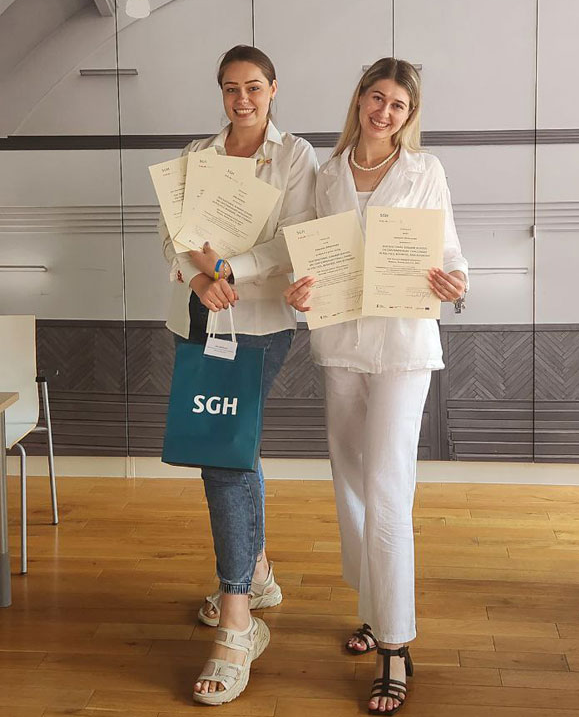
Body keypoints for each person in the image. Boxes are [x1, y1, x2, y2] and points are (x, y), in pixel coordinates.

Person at [284, 58, 468, 715]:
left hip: (403, 347)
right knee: (352, 486)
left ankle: (395, 643)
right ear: (359, 99)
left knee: (389, 487)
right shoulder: (327, 174)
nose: (384, 113)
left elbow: (449, 252)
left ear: (409, 115)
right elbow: (308, 258)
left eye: (398, 105)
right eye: (377, 98)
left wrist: (457, 281)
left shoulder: (425, 171)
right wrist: (298, 288)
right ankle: (373, 607)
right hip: (340, 346)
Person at [159, 44, 319, 706]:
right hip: (199, 318)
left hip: (259, 322)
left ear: (273, 89)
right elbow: (172, 233)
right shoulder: (197, 154)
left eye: (254, 87)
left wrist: (231, 270)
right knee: (233, 446)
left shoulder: (295, 156)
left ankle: (237, 621)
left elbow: (294, 238)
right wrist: (199, 278)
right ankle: (256, 575)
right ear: (220, 92)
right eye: (231, 88)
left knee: (222, 456)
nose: (242, 99)